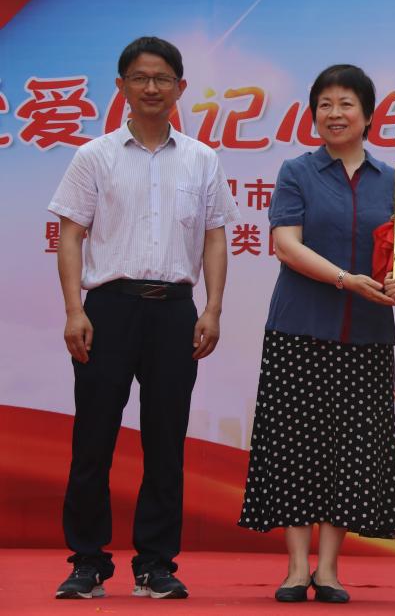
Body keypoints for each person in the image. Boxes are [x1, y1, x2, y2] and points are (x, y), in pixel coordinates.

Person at [49, 36, 239, 599]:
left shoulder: (202, 158)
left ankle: (156, 563)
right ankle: (87, 561)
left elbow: (214, 238)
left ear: (181, 88)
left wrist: (212, 308)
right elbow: (71, 235)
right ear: (122, 87)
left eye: (162, 79)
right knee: (93, 437)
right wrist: (74, 310)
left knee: (165, 440)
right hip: (108, 309)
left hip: (175, 311)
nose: (151, 88)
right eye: (140, 77)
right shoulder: (94, 155)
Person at [238, 64, 395, 604]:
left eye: (346, 104)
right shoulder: (297, 172)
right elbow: (286, 244)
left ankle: (329, 569)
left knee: (350, 451)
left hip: (367, 334)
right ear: (313, 114)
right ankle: (295, 568)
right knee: (296, 446)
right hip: (300, 328)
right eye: (325, 105)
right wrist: (343, 279)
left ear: (368, 115)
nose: (335, 114)